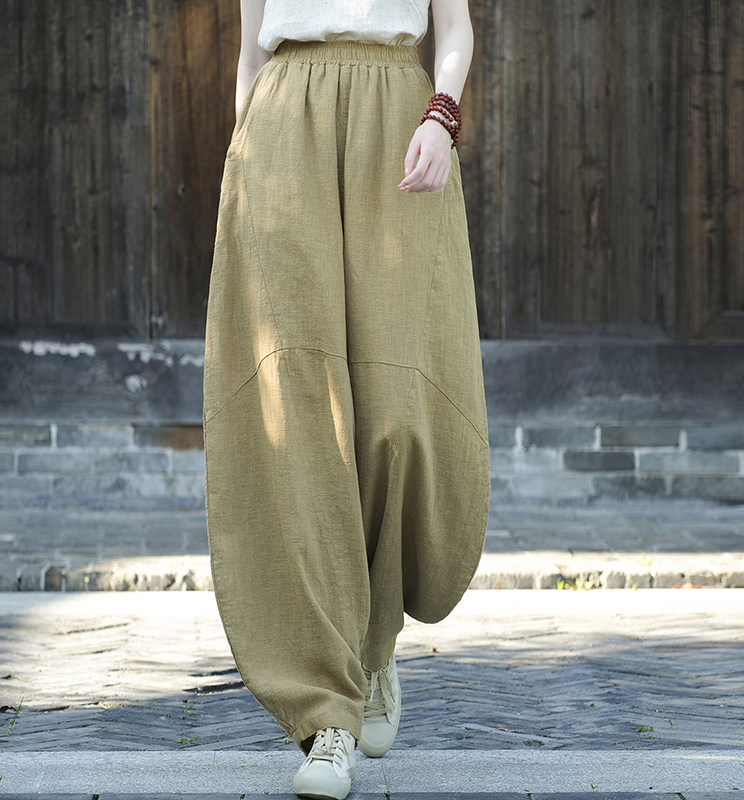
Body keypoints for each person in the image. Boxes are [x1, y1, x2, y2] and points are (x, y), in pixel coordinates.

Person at [202, 1, 490, 797]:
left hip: (397, 122)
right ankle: (328, 716)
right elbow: (250, 54)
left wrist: (442, 117)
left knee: (396, 411)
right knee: (299, 416)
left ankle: (375, 636)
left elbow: (455, 30)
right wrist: (244, 163)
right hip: (281, 131)